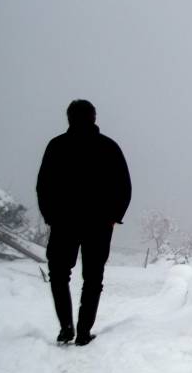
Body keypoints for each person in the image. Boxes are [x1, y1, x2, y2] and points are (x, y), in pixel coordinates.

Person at [36, 100, 132, 345]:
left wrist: (51, 217)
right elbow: (124, 188)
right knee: (93, 278)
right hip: (98, 226)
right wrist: (112, 218)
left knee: (59, 275)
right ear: (94, 117)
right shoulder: (109, 147)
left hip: (63, 224)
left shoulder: (57, 146)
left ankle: (66, 328)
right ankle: (83, 332)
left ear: (69, 118)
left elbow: (43, 186)